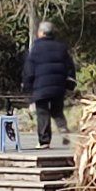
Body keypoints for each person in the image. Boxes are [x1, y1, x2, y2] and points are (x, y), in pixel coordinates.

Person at [22, 18, 77, 148]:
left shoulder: (36, 48)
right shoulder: (61, 47)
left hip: (41, 86)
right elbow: (70, 67)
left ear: (41, 33)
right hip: (58, 85)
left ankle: (44, 141)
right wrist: (70, 83)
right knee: (57, 110)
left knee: (42, 112)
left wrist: (27, 85)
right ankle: (63, 129)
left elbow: (29, 69)